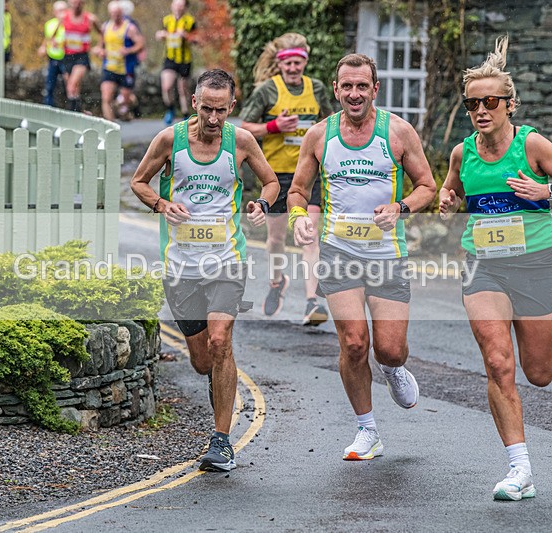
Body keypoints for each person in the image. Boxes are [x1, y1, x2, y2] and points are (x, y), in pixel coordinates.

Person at [438, 36, 552, 500]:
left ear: (508, 104)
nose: (481, 110)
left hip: (537, 266)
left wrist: (545, 193)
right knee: (498, 362)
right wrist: (448, 201)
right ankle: (518, 468)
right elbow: (453, 192)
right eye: (472, 104)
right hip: (484, 267)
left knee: (538, 373)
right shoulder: (462, 153)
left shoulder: (532, 145)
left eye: (490, 102)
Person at [287, 54, 436, 461]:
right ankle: (367, 429)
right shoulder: (319, 136)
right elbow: (298, 191)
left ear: (375, 89)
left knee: (389, 349)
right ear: (336, 90)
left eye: (362, 86)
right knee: (353, 343)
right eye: (346, 86)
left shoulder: (399, 133)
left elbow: (427, 186)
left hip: (387, 254)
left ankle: (392, 368)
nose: (354, 94)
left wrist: (400, 208)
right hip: (339, 253)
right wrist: (298, 218)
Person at [130, 69, 280, 472]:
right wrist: (162, 205)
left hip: (226, 259)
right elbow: (139, 182)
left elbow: (270, 183)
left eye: (221, 110)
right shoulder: (170, 140)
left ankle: (221, 441)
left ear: (232, 106)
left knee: (220, 340)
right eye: (206, 109)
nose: (214, 119)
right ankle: (219, 380)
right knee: (201, 360)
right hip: (180, 265)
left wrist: (260, 205)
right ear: (194, 103)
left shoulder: (242, 141)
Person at [240, 33, 334, 325]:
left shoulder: (316, 89)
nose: (294, 68)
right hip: (276, 176)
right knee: (277, 238)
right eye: (289, 63)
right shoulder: (267, 91)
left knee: (309, 236)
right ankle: (276, 282)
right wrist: (274, 125)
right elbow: (244, 127)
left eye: (299, 62)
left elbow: (333, 123)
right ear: (280, 64)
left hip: (309, 175)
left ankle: (312, 303)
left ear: (305, 61)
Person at [95, 1, 144, 122]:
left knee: (126, 100)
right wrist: (100, 51)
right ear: (109, 13)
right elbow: (100, 45)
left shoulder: (129, 27)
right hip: (109, 67)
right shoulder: (105, 27)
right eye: (113, 13)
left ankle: (130, 102)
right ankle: (111, 127)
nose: (115, 16)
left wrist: (128, 50)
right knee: (106, 97)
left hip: (125, 69)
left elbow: (141, 44)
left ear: (121, 13)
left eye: (117, 13)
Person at [156, 0, 196, 125]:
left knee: (183, 89)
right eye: (176, 4)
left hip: (184, 60)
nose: (178, 7)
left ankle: (185, 114)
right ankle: (170, 108)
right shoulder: (167, 20)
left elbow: (197, 39)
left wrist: (186, 36)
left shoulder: (190, 21)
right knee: (166, 86)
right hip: (169, 58)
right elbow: (159, 34)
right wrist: (161, 35)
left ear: (185, 7)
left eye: (181, 5)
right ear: (172, 6)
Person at [61, 0, 102, 112]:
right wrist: (49, 44)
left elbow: (101, 33)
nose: (76, 5)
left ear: (83, 3)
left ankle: (72, 112)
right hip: (67, 56)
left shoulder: (90, 18)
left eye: (78, 2)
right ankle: (78, 112)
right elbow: (53, 34)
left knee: (72, 85)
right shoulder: (64, 17)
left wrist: (99, 46)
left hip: (81, 56)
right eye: (74, 2)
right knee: (72, 90)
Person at [38, 1, 68, 108]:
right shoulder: (50, 24)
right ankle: (48, 106)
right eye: (60, 11)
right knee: (50, 85)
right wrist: (43, 47)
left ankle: (70, 109)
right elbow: (49, 38)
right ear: (55, 12)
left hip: (66, 58)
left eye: (64, 10)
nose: (63, 13)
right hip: (53, 58)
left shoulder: (69, 24)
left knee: (69, 86)